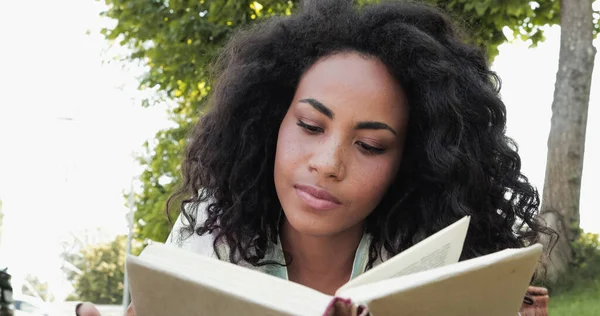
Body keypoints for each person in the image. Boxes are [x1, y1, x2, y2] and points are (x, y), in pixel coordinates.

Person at [127, 0, 554, 314]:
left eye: (370, 146)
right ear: (270, 123)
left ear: (409, 162)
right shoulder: (208, 233)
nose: (328, 163)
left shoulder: (435, 266)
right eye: (311, 126)